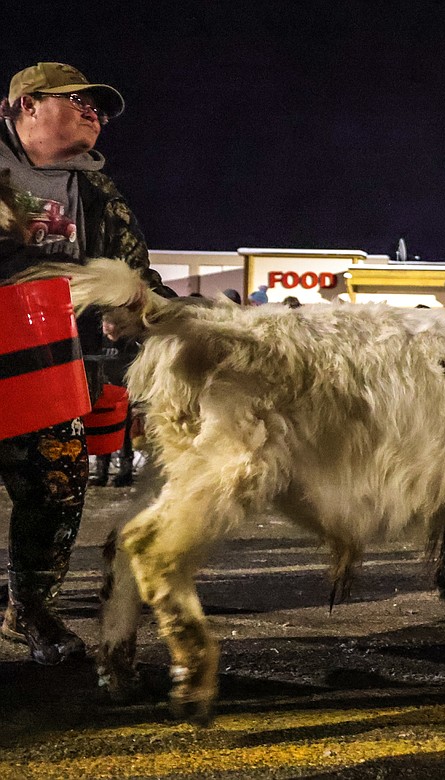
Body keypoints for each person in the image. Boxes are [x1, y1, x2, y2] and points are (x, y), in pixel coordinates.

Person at [0, 62, 161, 664]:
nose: (96, 113)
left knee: (58, 488)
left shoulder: (95, 191)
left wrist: (189, 321)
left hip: (44, 371)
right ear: (27, 105)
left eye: (101, 108)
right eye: (79, 101)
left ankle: (30, 611)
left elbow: (137, 277)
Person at [89, 315, 141, 487]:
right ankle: (101, 473)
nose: (104, 326)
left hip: (123, 396)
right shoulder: (100, 343)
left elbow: (135, 370)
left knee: (124, 434)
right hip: (104, 393)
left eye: (109, 322)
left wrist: (135, 397)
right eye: (103, 321)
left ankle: (125, 472)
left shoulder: (128, 344)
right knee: (104, 432)